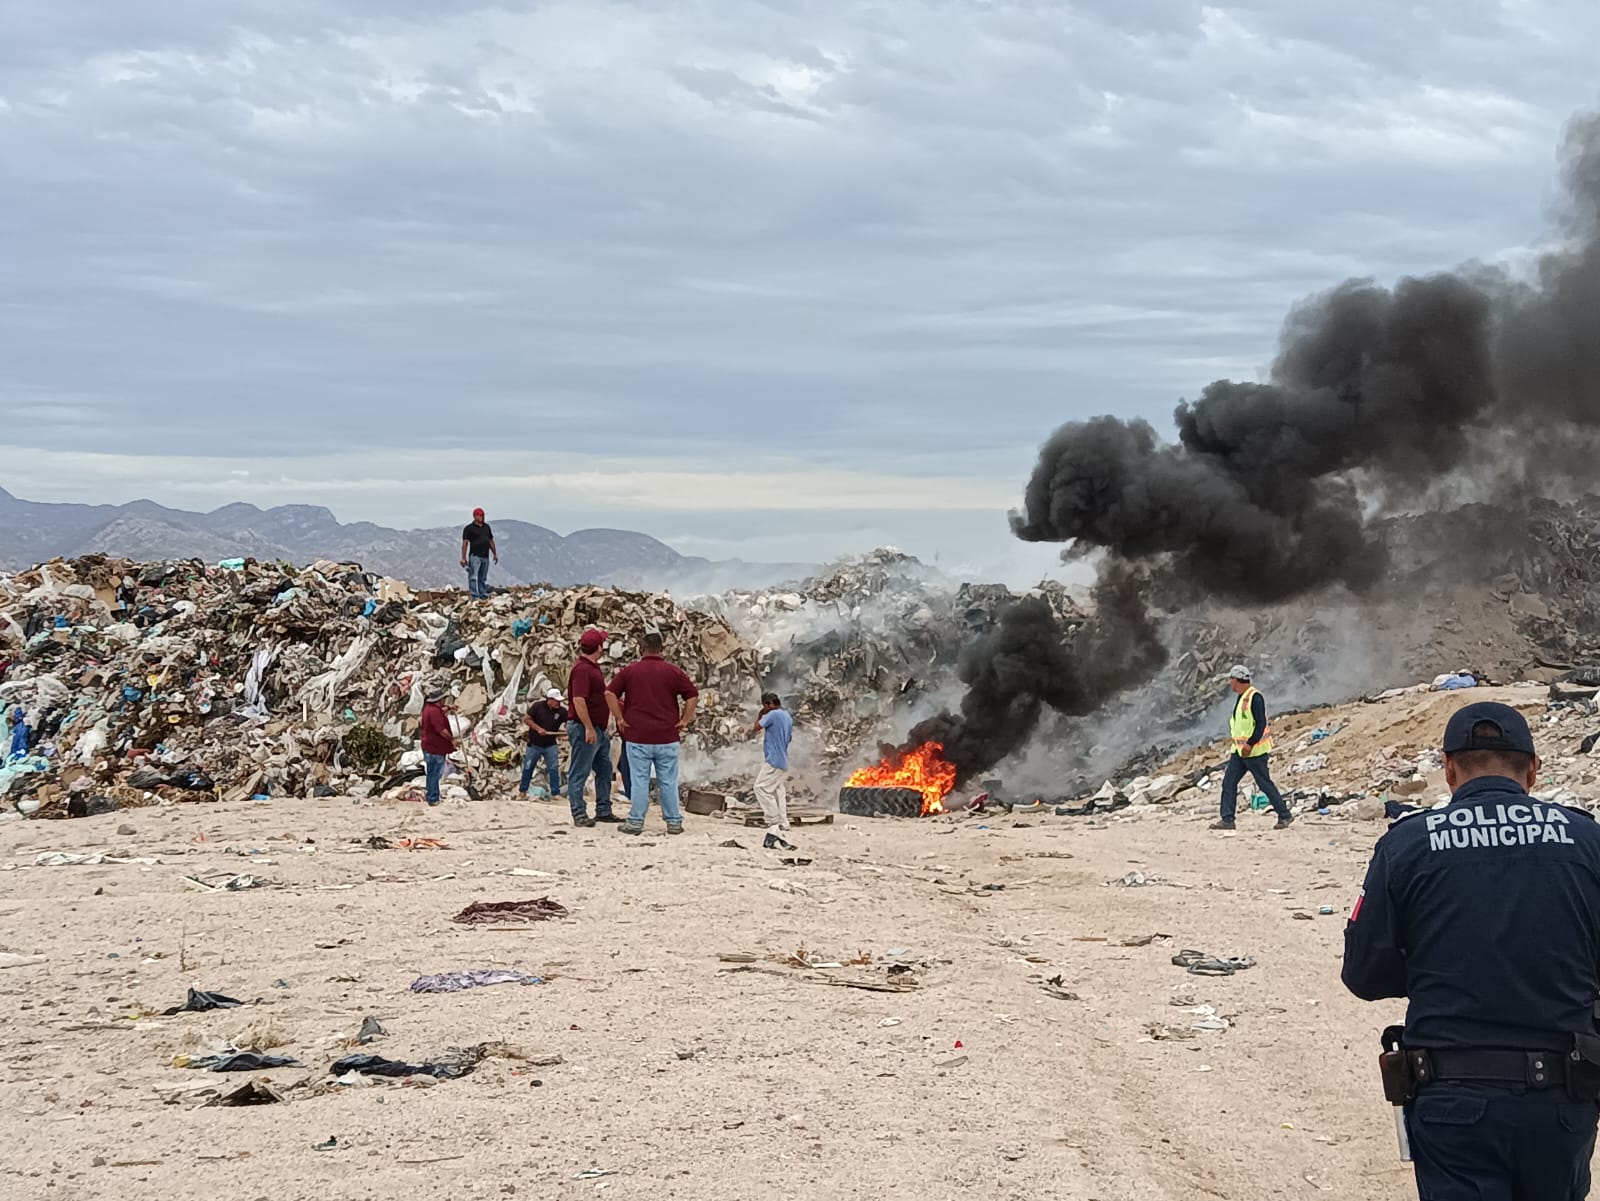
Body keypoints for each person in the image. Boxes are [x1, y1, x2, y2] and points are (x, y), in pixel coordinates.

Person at [1342, 701, 1600, 1200]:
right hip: (1561, 1100)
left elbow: (1364, 975)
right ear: (1532, 769)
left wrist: (1435, 967)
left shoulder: (1407, 845)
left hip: (1452, 1101)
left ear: (1449, 770)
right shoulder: (1588, 840)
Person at [606, 631, 698, 836]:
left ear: (641, 649)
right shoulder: (673, 672)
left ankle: (636, 822)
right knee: (668, 781)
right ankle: (673, 822)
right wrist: (684, 719)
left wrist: (619, 717)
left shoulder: (630, 671)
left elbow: (609, 692)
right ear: (662, 649)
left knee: (640, 780)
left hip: (637, 737)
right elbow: (692, 694)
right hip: (667, 737)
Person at [1210, 664, 1293, 831]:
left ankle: (1285, 815)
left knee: (1264, 784)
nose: (1230, 683)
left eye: (1231, 680)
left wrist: (1250, 744)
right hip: (1240, 752)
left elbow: (1261, 724)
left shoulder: (1255, 697)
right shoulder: (1242, 697)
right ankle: (1227, 819)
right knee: (1228, 782)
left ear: (1236, 680)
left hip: (1254, 752)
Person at [565, 629, 619, 827]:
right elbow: (578, 700)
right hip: (584, 728)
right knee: (580, 771)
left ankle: (603, 809)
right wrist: (588, 727)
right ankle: (579, 813)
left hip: (598, 729)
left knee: (604, 770)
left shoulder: (590, 667)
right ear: (599, 647)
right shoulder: (582, 670)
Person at [752, 692, 796, 851]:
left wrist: (760, 714)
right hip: (784, 760)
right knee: (778, 790)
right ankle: (784, 822)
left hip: (773, 760)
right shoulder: (787, 716)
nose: (765, 708)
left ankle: (773, 820)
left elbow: (756, 728)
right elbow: (789, 738)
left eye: (765, 705)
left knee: (760, 788)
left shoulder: (773, 715)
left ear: (769, 704)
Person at [518, 687, 566, 798]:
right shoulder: (537, 707)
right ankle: (522, 791)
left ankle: (555, 793)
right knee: (528, 768)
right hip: (534, 745)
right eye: (556, 701)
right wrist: (538, 729)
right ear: (549, 699)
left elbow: (569, 721)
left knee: (553, 769)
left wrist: (568, 733)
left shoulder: (561, 711)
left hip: (550, 745)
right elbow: (527, 719)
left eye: (559, 701)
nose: (558, 703)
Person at [418, 686, 455, 808]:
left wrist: (449, 709)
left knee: (432, 773)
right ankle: (433, 798)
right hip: (434, 747)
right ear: (439, 700)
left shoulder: (430, 709)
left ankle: (432, 796)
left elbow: (440, 712)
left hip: (430, 746)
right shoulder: (434, 712)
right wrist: (452, 740)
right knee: (434, 773)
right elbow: (441, 730)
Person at [460, 508, 498, 599]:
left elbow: (490, 540)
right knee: (473, 576)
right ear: (475, 516)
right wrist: (463, 557)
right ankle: (474, 596)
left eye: (483, 515)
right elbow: (465, 543)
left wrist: (494, 553)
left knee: (482, 577)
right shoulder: (469, 528)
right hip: (475, 556)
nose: (482, 517)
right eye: (480, 515)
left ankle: (483, 595)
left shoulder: (486, 527)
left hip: (485, 556)